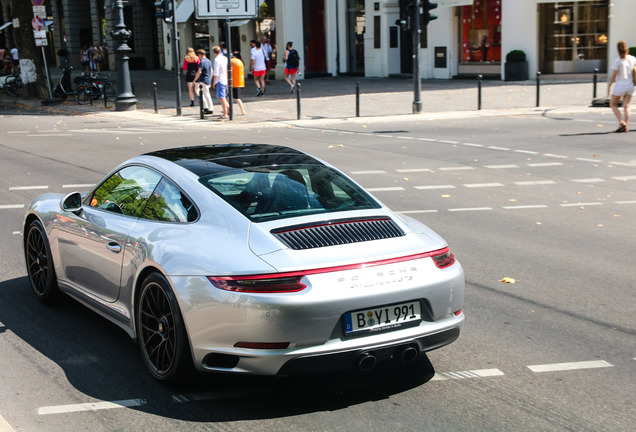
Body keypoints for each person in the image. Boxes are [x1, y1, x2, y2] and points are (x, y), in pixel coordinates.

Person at [608, 40, 635, 133]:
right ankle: (625, 125)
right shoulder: (632, 59)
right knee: (626, 106)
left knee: (613, 104)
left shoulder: (617, 61)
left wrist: (609, 86)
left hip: (620, 86)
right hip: (630, 85)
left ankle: (621, 122)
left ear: (617, 49)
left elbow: (614, 75)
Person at [193, 49, 213, 115]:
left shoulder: (202, 62)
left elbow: (199, 71)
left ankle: (209, 108)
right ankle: (206, 107)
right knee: (205, 93)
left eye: (198, 55)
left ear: (201, 54)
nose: (198, 56)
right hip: (207, 79)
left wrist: (195, 80)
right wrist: (210, 79)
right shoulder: (209, 61)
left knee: (205, 94)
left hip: (203, 79)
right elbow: (211, 71)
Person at [212, 45, 229, 119]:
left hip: (220, 79)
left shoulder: (217, 60)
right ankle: (227, 109)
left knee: (222, 97)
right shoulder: (225, 58)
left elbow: (216, 72)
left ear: (214, 52)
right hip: (224, 78)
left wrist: (214, 81)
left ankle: (226, 112)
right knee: (221, 96)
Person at [231, 51, 246, 115]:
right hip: (239, 82)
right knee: (231, 97)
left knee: (237, 97)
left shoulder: (234, 63)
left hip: (235, 83)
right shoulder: (240, 62)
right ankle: (228, 109)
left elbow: (231, 72)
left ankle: (243, 110)